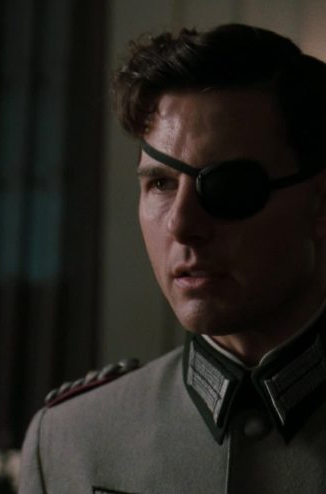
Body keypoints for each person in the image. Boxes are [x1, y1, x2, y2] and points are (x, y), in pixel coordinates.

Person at [19, 24, 326, 493]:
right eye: (161, 183)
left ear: (320, 205)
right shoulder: (71, 442)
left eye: (228, 186)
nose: (181, 224)